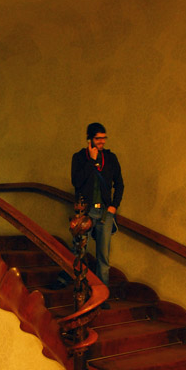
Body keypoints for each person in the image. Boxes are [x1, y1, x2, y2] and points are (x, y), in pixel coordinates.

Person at [71, 122, 124, 308]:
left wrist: (114, 206)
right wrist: (91, 161)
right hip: (84, 211)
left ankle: (102, 296)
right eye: (98, 138)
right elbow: (76, 182)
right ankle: (80, 291)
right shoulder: (79, 158)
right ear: (90, 139)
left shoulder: (110, 158)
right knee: (79, 252)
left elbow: (119, 184)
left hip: (104, 213)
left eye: (104, 138)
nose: (101, 142)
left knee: (103, 257)